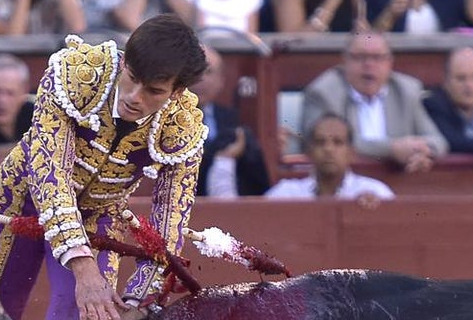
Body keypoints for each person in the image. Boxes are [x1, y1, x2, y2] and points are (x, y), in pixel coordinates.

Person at [0, 15, 208, 320]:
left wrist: (140, 300)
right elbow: (50, 175)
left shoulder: (182, 127)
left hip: (97, 214)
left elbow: (169, 222)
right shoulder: (76, 75)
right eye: (131, 76)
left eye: (153, 90)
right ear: (124, 60)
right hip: (22, 200)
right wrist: (84, 267)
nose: (133, 96)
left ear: (176, 93)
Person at [300, 32, 448, 173]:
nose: (369, 64)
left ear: (390, 63)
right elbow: (325, 143)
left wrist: (422, 151)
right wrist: (391, 149)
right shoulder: (323, 92)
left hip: (401, 185)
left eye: (377, 57)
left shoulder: (406, 91)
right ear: (345, 62)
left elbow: (438, 141)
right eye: (360, 57)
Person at [192, 45, 272, 198]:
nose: (200, 79)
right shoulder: (162, 118)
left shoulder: (233, 119)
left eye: (208, 72)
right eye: (194, 72)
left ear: (221, 80)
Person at [265, 113, 394, 205]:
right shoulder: (286, 194)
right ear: (309, 152)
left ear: (351, 153)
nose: (328, 149)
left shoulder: (375, 191)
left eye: (338, 142)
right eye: (320, 142)